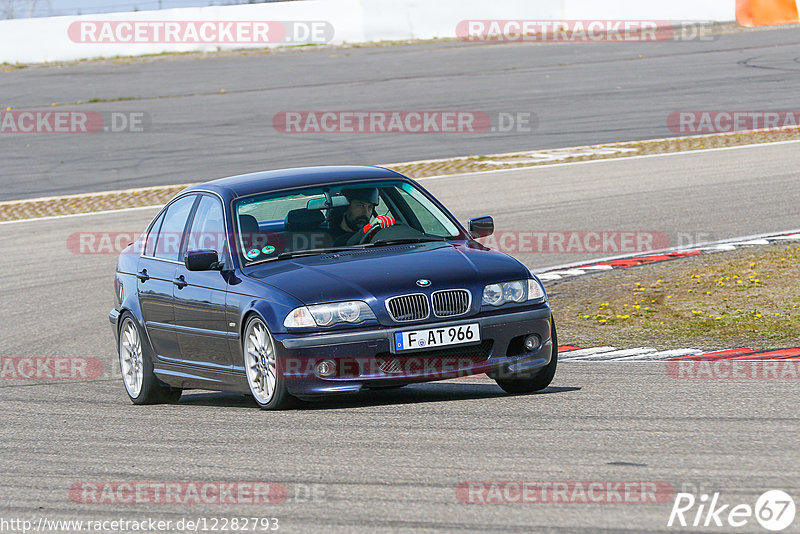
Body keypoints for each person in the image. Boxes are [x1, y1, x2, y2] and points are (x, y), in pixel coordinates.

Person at [330, 187, 395, 246]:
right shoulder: (327, 238)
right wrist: (367, 229)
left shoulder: (374, 235)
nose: (365, 212)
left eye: (370, 207)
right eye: (360, 206)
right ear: (345, 208)